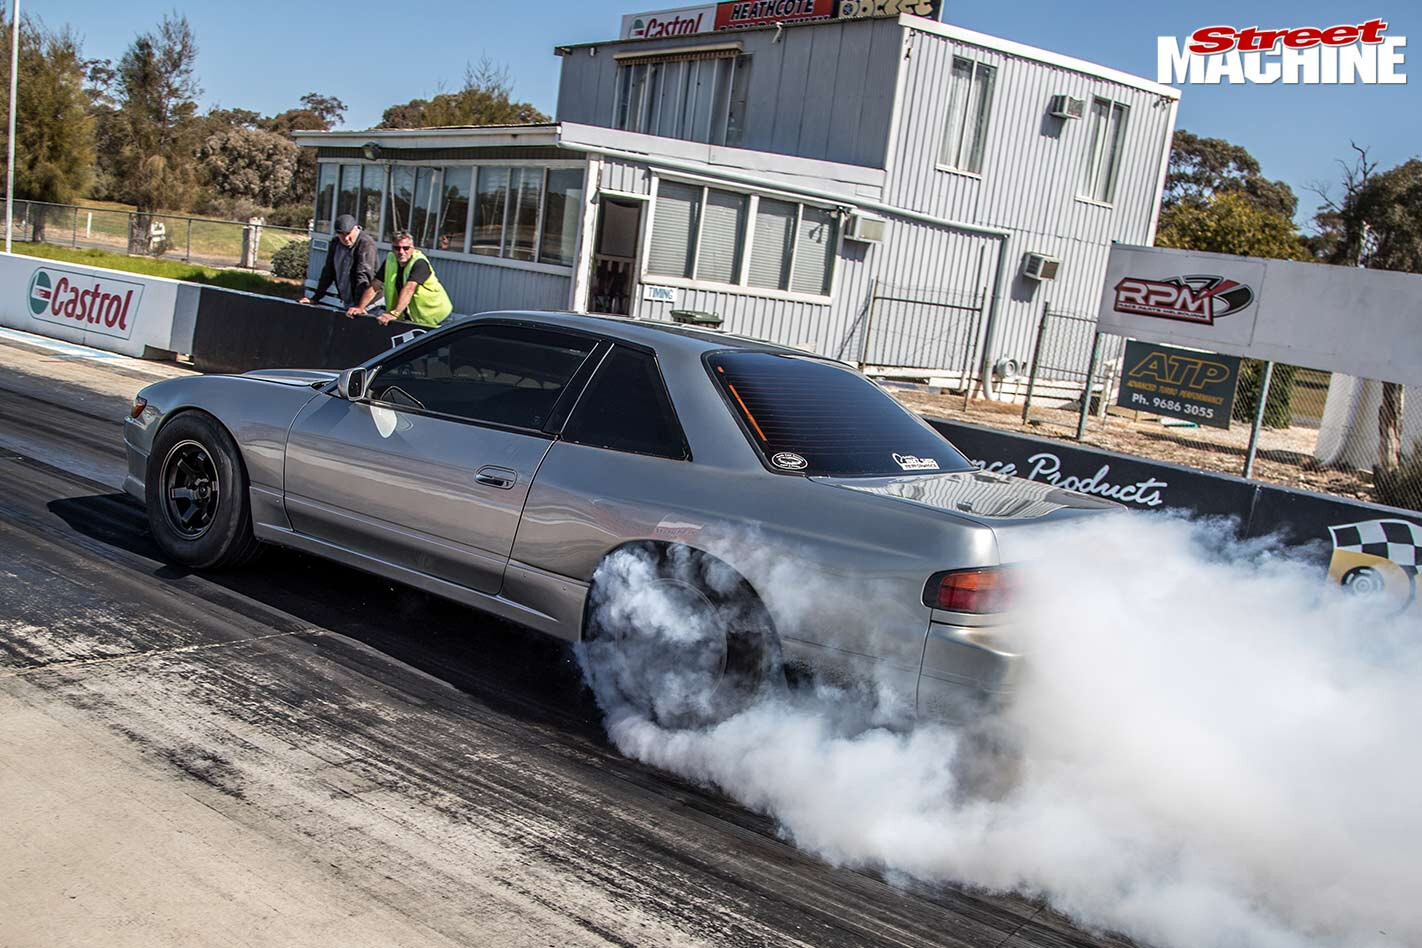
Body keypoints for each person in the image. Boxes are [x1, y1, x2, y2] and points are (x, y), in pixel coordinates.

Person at [350, 231, 454, 327]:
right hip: (414, 319)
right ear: (392, 248)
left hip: (438, 317)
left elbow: (409, 288)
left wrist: (394, 314)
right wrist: (360, 307)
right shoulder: (390, 260)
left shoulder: (419, 263)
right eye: (397, 248)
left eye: (406, 248)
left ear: (412, 248)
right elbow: (376, 284)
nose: (401, 252)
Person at [299, 214, 381, 312]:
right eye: (341, 234)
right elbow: (328, 272)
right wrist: (315, 298)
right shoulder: (336, 243)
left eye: (348, 233)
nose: (346, 238)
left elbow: (364, 276)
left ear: (356, 229)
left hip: (369, 304)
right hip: (349, 302)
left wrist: (359, 306)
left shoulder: (366, 244)